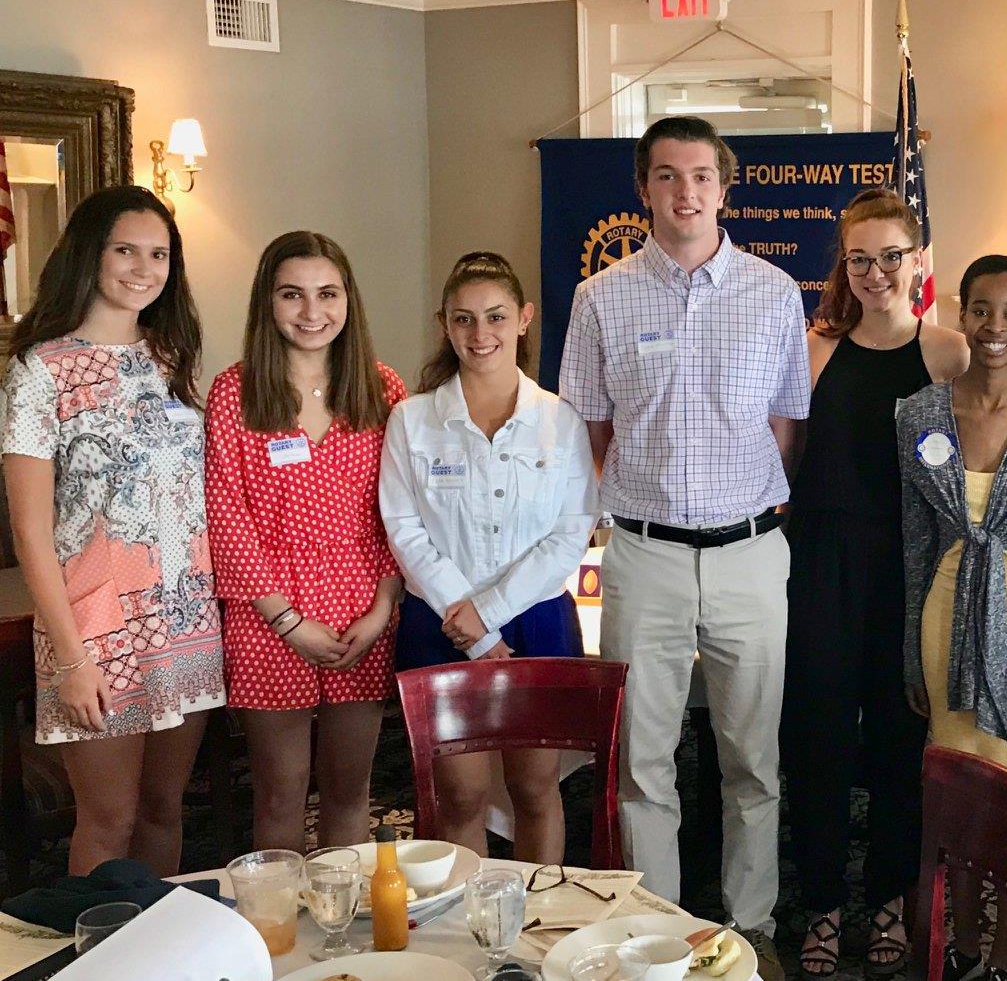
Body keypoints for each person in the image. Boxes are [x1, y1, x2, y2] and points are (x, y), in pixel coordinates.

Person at [557, 114, 807, 960]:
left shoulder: (774, 293)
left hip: (749, 554)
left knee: (754, 759)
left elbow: (786, 428)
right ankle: (656, 934)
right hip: (645, 556)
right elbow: (592, 431)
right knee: (642, 762)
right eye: (667, 175)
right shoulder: (600, 297)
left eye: (701, 175)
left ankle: (752, 925)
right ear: (644, 189)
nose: (686, 192)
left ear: (724, 188)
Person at [0, 184, 222, 876]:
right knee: (108, 818)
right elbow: (31, 533)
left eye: (159, 254)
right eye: (126, 249)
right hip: (94, 630)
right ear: (89, 254)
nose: (143, 268)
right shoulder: (40, 370)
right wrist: (71, 658)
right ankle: (98, 938)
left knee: (164, 808)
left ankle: (161, 935)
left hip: (184, 617)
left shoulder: (171, 358)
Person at [784, 188, 966, 977]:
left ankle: (890, 894)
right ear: (844, 265)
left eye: (891, 256)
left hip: (909, 565)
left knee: (900, 739)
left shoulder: (950, 354)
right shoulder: (814, 348)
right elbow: (786, 462)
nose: (876, 272)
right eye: (860, 258)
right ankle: (822, 901)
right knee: (817, 738)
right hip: (820, 560)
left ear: (918, 261)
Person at [380, 251, 601, 864]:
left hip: (537, 621)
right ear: (445, 325)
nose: (481, 334)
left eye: (496, 316)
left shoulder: (560, 419)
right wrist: (470, 623)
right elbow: (404, 528)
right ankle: (469, 921)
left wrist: (490, 613)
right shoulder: (412, 420)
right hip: (440, 622)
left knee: (536, 789)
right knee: (461, 796)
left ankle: (540, 914)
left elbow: (570, 532)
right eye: (464, 319)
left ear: (524, 318)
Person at [899, 255, 1007, 981]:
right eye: (981, 309)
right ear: (961, 314)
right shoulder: (918, 413)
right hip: (944, 608)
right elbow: (915, 540)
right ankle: (964, 941)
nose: (994, 326)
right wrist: (910, 651)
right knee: (958, 788)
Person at [205, 231, 407, 853]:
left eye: (327, 293)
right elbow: (225, 516)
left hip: (362, 613)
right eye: (292, 294)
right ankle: (280, 915)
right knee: (280, 792)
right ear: (267, 302)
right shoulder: (235, 393)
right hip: (268, 614)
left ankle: (343, 915)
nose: (312, 311)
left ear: (349, 300)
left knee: (350, 790)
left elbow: (401, 511)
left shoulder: (383, 390)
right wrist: (288, 621)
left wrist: (382, 609)